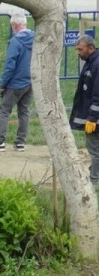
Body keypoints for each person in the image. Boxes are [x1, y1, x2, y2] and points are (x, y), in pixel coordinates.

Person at [0, 12, 33, 152]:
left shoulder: (15, 41)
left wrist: (3, 84)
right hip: (30, 81)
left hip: (15, 82)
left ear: (14, 25)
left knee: (4, 111)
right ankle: (20, 142)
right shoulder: (35, 38)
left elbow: (10, 65)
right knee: (24, 111)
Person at [70, 35, 99, 188]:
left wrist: (92, 118)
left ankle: (94, 180)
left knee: (94, 150)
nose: (78, 52)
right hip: (93, 116)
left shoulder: (96, 64)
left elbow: (97, 94)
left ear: (90, 48)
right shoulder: (91, 62)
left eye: (80, 49)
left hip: (95, 118)